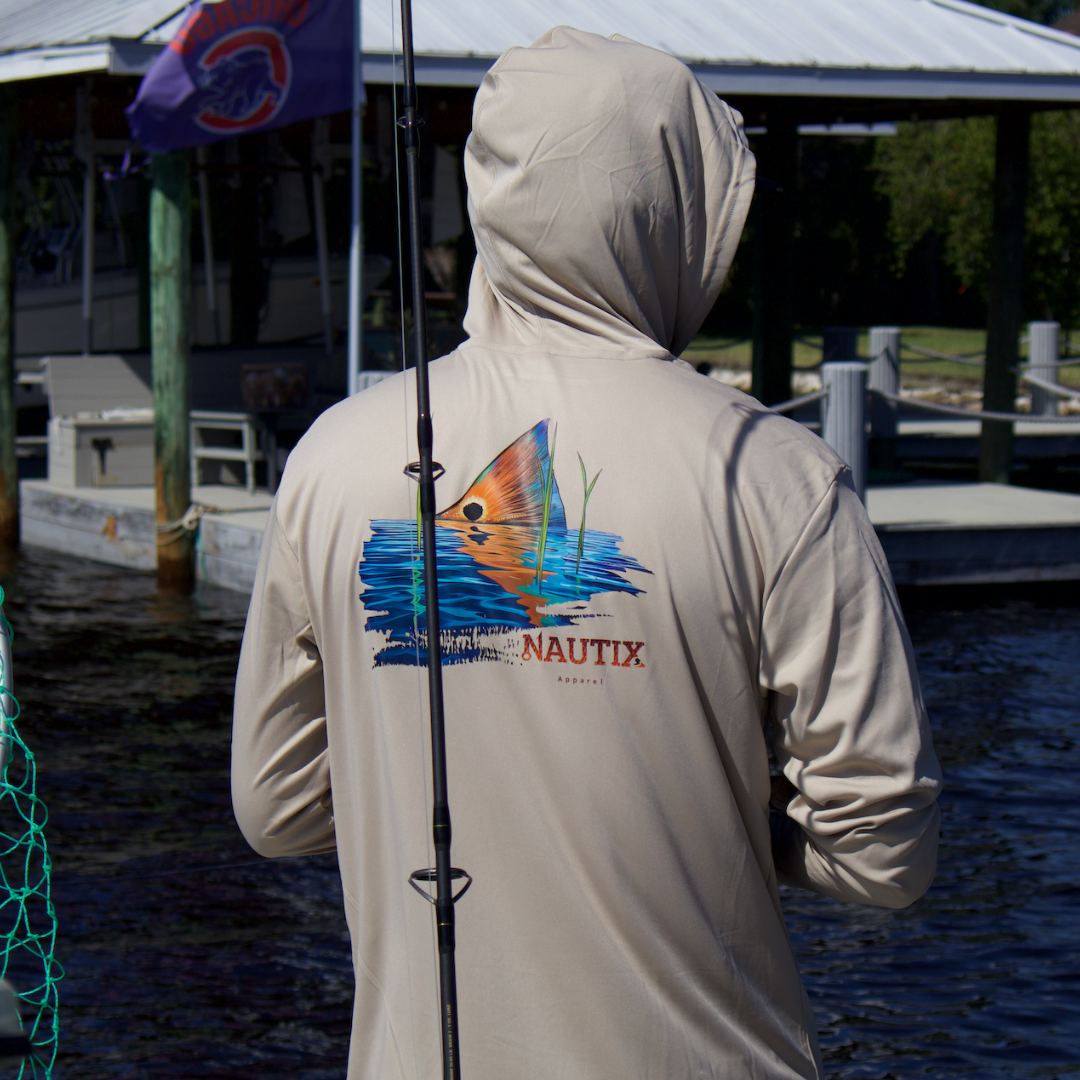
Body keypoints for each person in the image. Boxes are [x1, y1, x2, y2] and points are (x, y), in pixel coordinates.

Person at [232, 26, 941, 1080]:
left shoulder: (333, 458)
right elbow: (886, 855)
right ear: (675, 212)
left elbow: (278, 809)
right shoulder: (775, 475)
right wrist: (720, 819)